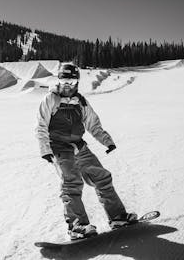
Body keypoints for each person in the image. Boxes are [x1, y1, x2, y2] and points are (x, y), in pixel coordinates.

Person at [35, 63, 137, 240]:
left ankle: (117, 217)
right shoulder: (50, 99)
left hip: (79, 147)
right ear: (59, 80)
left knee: (102, 177)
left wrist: (107, 141)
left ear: (77, 82)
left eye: (72, 80)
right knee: (71, 183)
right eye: (64, 79)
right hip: (60, 149)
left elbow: (93, 124)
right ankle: (77, 225)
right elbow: (41, 126)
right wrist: (45, 149)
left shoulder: (81, 101)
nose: (67, 84)